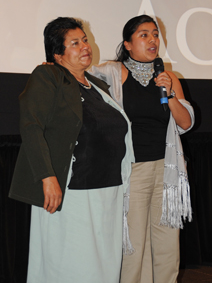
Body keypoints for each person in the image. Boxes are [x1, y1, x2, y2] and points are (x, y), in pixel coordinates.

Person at [9, 17, 134, 283]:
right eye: (75, 43)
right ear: (57, 53)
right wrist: (47, 176)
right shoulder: (49, 76)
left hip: (107, 190)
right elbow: (32, 127)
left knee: (103, 266)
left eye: (85, 40)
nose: (85, 46)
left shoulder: (99, 87)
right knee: (72, 265)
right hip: (72, 190)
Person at [89, 14, 194, 283]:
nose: (153, 40)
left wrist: (170, 94)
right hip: (133, 170)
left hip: (167, 169)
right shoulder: (112, 71)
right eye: (144, 35)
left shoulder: (169, 77)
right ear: (128, 43)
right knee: (133, 241)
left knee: (167, 242)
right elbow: (79, 73)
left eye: (155, 34)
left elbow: (185, 123)